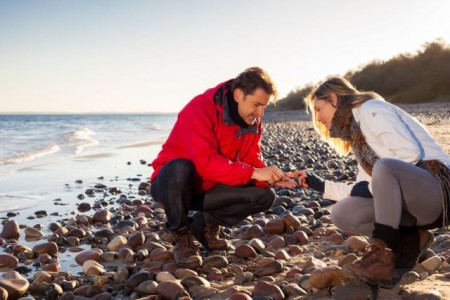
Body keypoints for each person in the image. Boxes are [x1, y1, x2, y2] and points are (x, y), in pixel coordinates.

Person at [292, 76, 450, 284]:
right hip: (414, 202)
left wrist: (374, 185)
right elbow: (364, 187)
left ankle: (382, 258)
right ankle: (412, 238)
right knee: (343, 213)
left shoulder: (371, 109)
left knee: (383, 167)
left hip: (438, 189)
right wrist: (317, 184)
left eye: (318, 109)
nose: (318, 118)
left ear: (333, 98)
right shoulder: (358, 137)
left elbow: (408, 154)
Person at [150, 67, 297, 268]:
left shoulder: (252, 120)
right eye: (257, 104)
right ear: (238, 95)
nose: (261, 112)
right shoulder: (199, 108)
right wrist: (254, 173)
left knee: (265, 196)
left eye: (264, 106)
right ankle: (182, 236)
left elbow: (251, 160)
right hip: (172, 185)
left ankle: (203, 224)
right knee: (178, 167)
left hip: (210, 188)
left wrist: (272, 176)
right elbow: (206, 163)